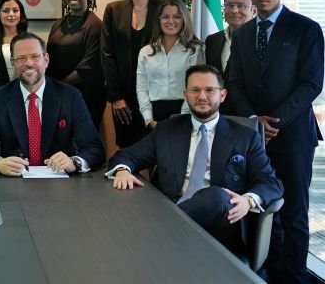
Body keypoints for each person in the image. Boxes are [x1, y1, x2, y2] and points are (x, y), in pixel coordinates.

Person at [107, 64, 283, 253]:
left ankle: (158, 235)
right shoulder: (167, 130)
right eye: (195, 90)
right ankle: (164, 236)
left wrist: (247, 201)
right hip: (174, 207)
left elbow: (271, 183)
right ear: (185, 94)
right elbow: (127, 155)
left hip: (222, 227)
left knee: (218, 196)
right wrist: (122, 170)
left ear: (222, 95)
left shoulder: (245, 137)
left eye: (209, 90)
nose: (202, 96)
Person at [227, 0, 324, 283]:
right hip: (254, 138)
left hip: (293, 137)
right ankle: (266, 274)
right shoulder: (243, 34)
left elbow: (311, 83)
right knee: (261, 210)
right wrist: (254, 120)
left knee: (293, 213)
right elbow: (234, 82)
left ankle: (294, 277)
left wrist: (276, 121)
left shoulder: (306, 29)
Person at [0, 32, 105, 176]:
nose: (29, 63)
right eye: (21, 58)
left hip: (60, 182)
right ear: (13, 63)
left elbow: (94, 148)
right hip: (14, 182)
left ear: (46, 60)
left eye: (35, 56)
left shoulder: (70, 96)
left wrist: (74, 162)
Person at [101, 0, 163, 148]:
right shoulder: (114, 9)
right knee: (128, 149)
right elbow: (107, 53)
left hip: (155, 94)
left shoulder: (164, 10)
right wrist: (116, 97)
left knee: (156, 147)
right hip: (123, 97)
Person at [47, 0, 105, 129]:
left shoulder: (95, 26)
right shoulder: (58, 24)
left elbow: (88, 69)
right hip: (58, 98)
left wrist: (57, 87)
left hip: (84, 99)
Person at [136, 0, 204, 130]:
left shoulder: (194, 50)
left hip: (185, 112)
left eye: (177, 17)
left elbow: (195, 87)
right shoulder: (145, 52)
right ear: (158, 20)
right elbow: (142, 88)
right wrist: (149, 119)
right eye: (165, 17)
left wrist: (182, 117)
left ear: (184, 19)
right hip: (154, 115)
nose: (171, 21)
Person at [205, 0, 255, 77]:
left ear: (254, 10)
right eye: (229, 5)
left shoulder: (262, 41)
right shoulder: (212, 40)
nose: (234, 10)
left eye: (241, 6)